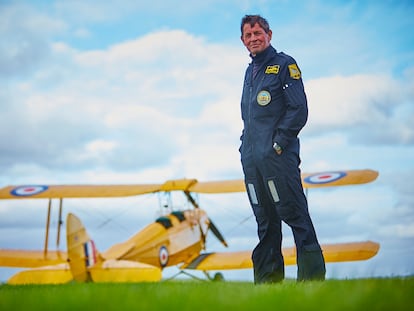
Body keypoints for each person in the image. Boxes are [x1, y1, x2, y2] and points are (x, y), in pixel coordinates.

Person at [239, 14, 326, 283]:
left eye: (258, 33)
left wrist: (277, 145)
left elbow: (298, 109)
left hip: (279, 159)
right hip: (253, 161)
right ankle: (268, 286)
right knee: (265, 223)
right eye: (248, 35)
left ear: (269, 34)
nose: (254, 38)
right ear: (243, 41)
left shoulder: (285, 65)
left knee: (296, 216)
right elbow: (250, 117)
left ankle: (312, 283)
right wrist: (245, 147)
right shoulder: (250, 72)